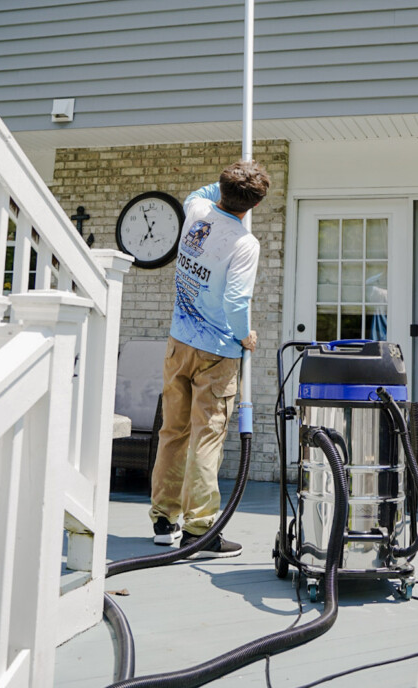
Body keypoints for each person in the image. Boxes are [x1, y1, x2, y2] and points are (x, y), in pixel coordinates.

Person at [149, 159, 270, 557]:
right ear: (253, 205)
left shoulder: (197, 212)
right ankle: (200, 530)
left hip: (178, 343)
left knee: (173, 432)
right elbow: (236, 300)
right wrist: (245, 336)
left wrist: (229, 183)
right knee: (206, 438)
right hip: (217, 352)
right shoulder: (243, 242)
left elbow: (200, 194)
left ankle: (164, 521)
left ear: (222, 189)